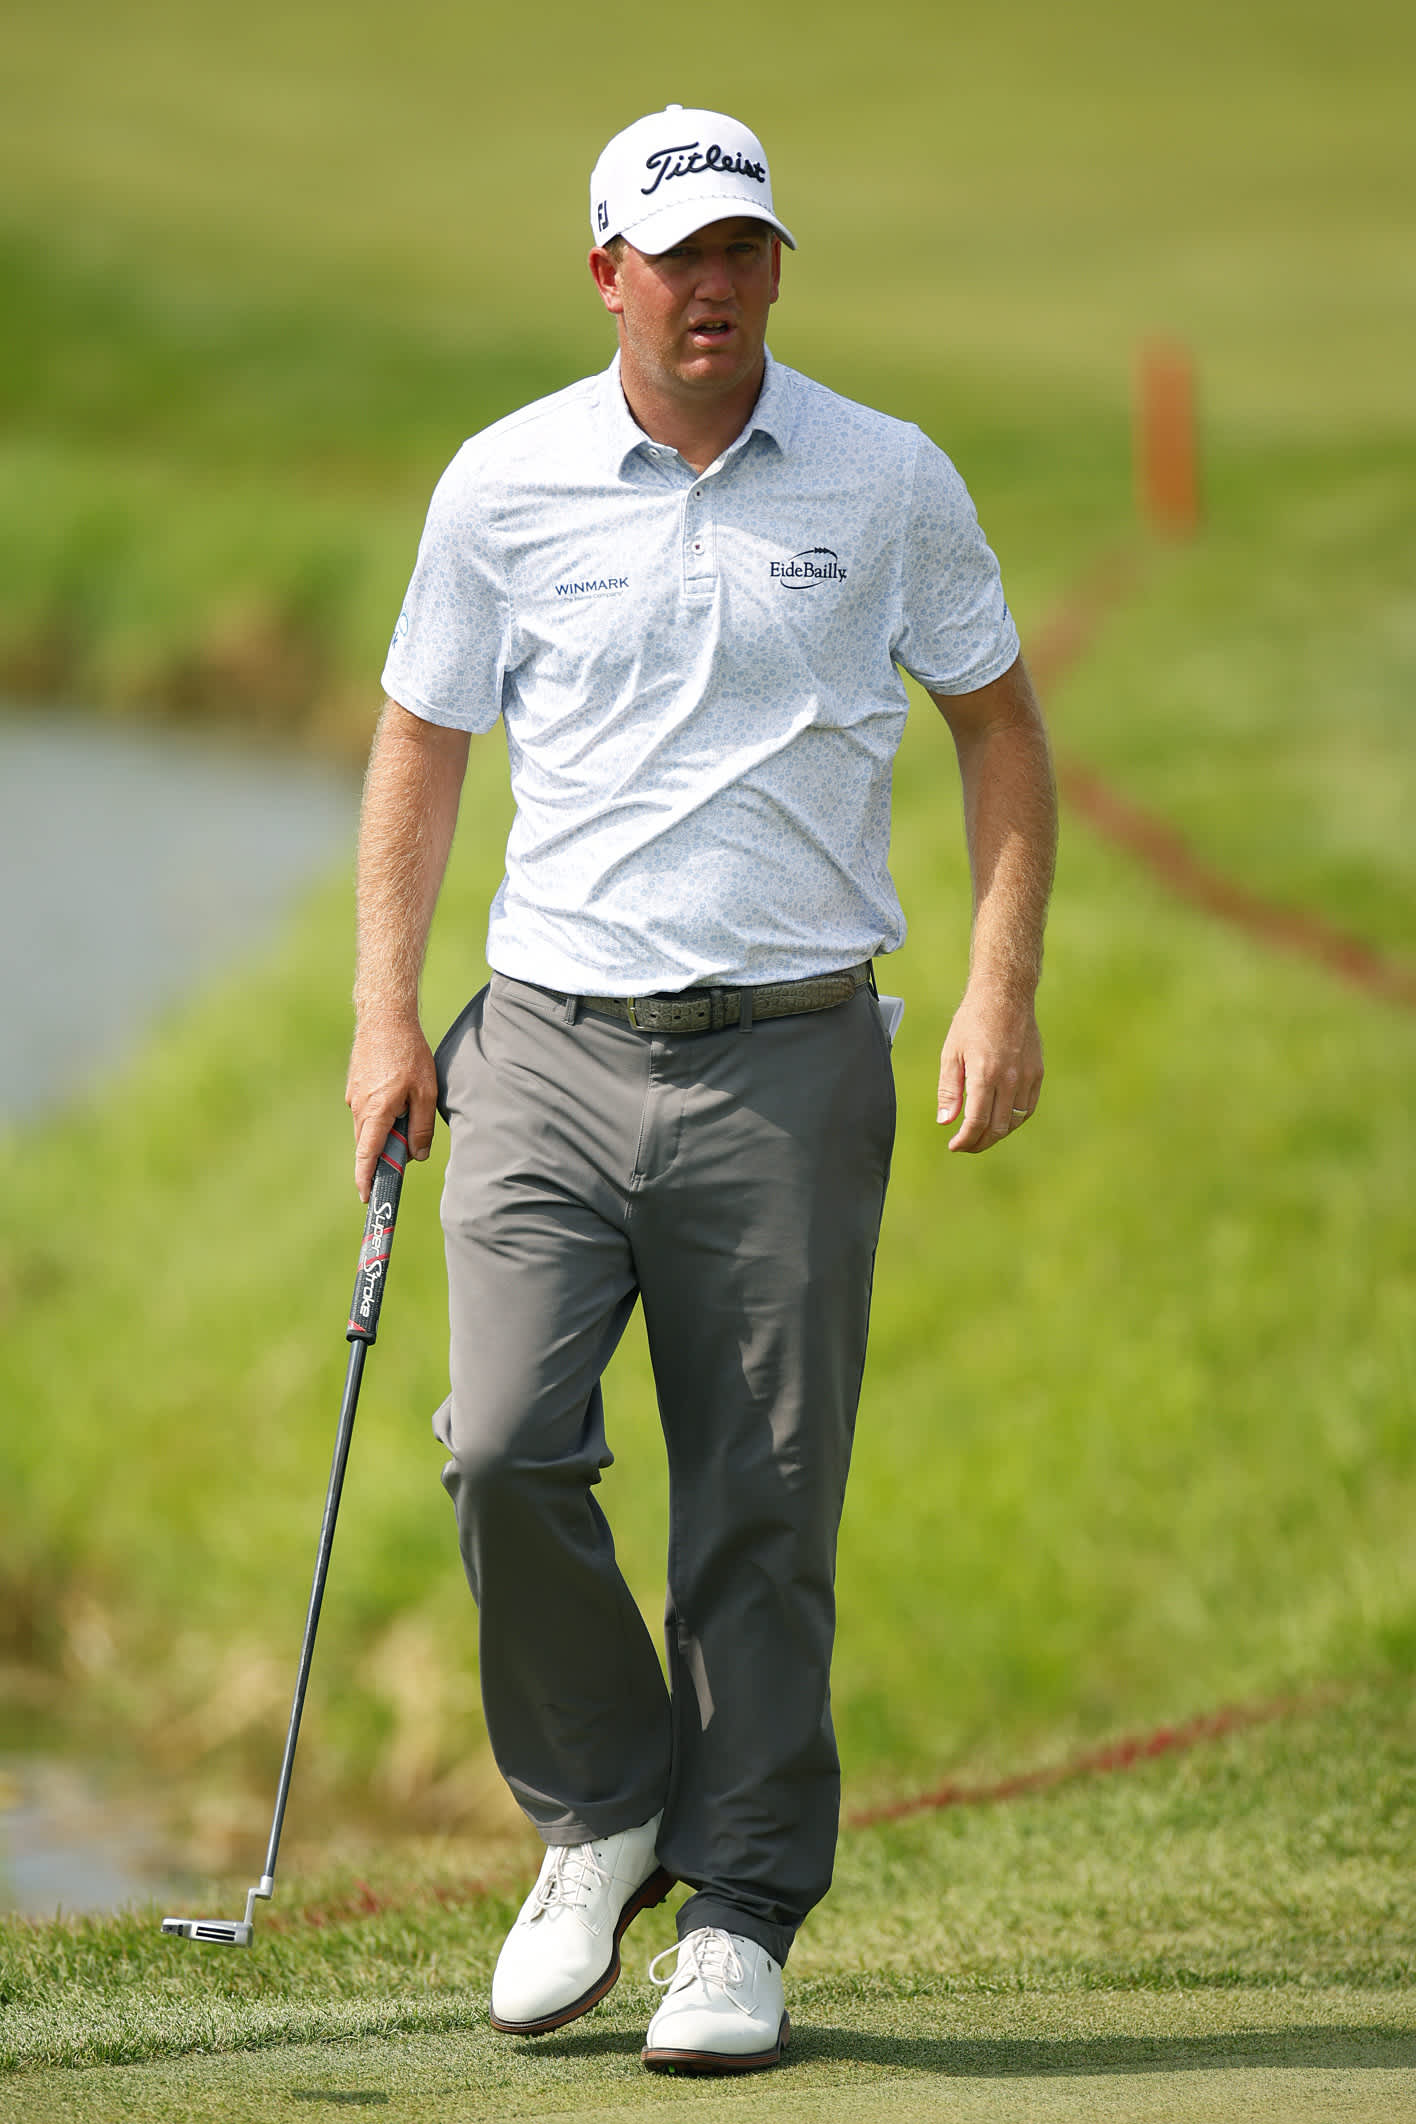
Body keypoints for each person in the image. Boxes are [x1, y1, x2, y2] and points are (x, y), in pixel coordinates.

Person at [345, 103, 1057, 2077]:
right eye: (683, 256)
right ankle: (601, 1813)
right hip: (549, 1048)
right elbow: (421, 744)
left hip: (795, 1059)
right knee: (501, 1445)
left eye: (748, 250)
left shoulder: (886, 477)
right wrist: (381, 1014)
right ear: (608, 277)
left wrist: (999, 982)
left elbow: (1000, 726)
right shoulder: (502, 487)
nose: (721, 284)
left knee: (763, 1505)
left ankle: (739, 1911)